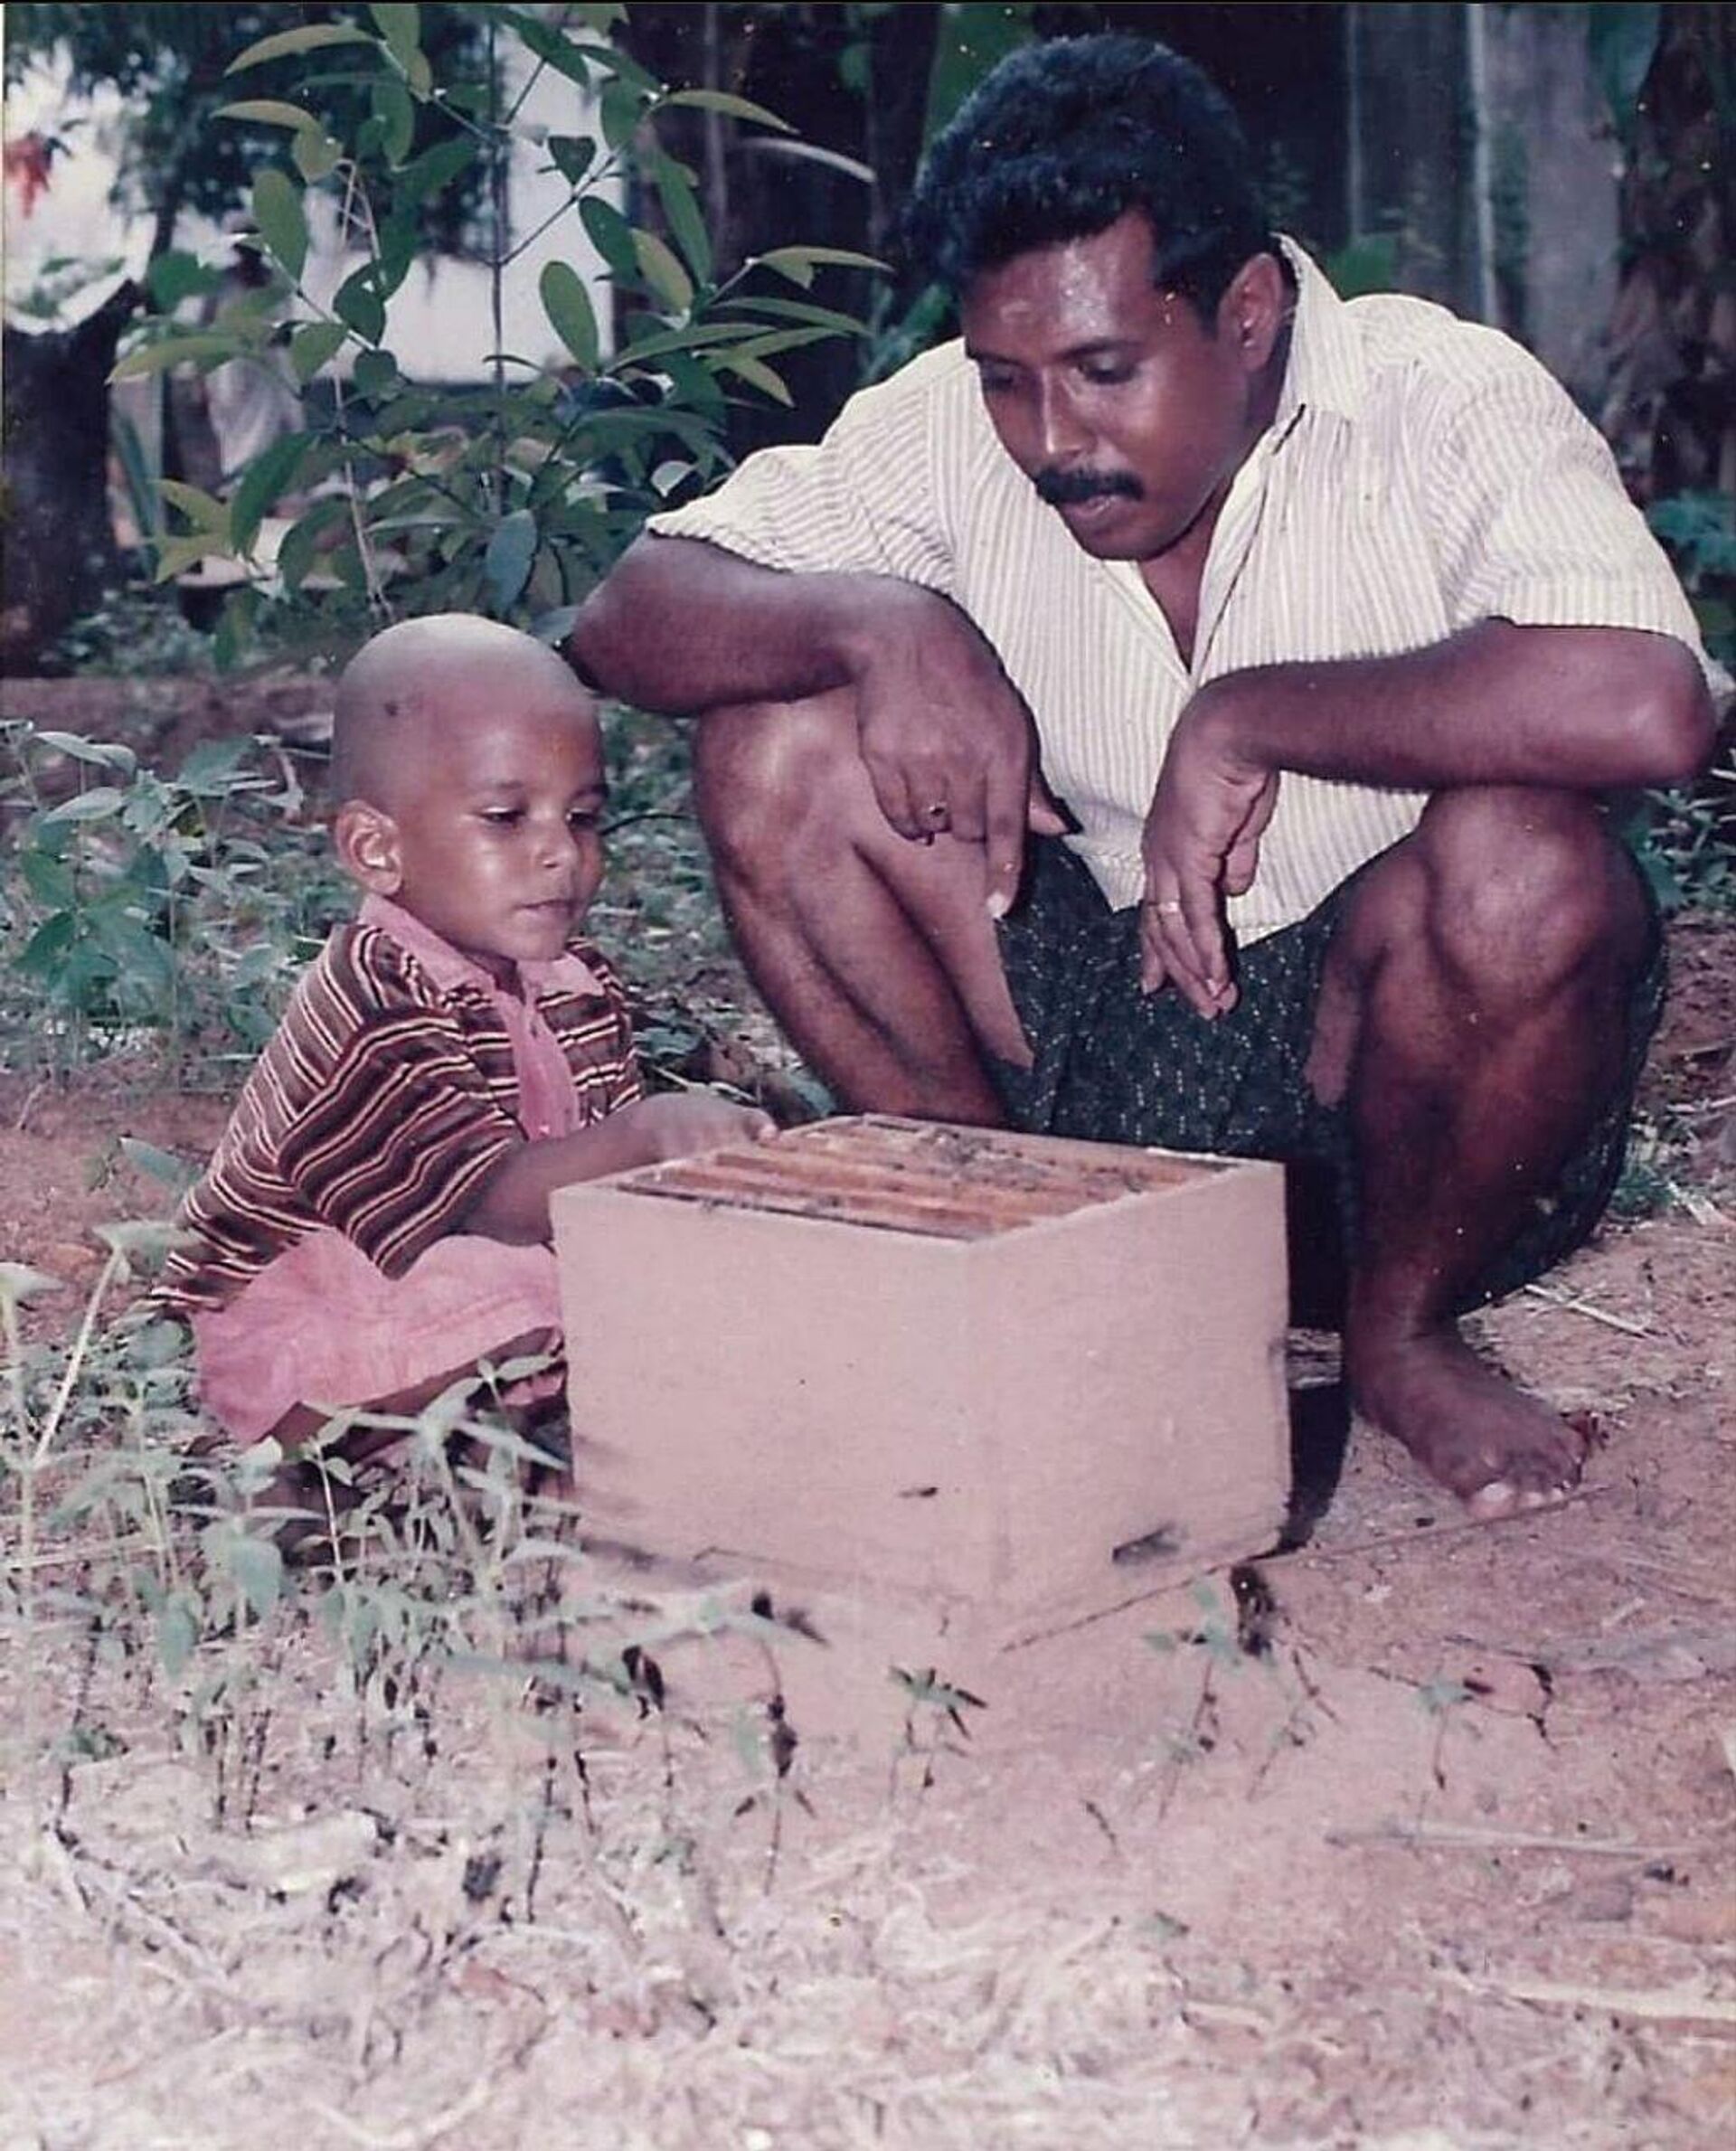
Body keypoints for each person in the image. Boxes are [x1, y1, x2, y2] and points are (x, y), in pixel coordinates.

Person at [568, 35, 1726, 1522]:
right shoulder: (947, 429)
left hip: (1398, 1094)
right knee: (776, 741)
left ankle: (1400, 1331)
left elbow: (1647, 701)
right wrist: (875, 619)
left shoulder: (1439, 395)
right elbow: (624, 615)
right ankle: (1016, 1256)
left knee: (1529, 863)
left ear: (1244, 314)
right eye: (1008, 381)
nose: (1054, 439)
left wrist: (1251, 718)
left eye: (1106, 371)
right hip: (1087, 1041)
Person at [158, 613, 770, 1484]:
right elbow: (485, 1200)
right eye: (504, 816)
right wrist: (647, 1136)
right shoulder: (374, 994)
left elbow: (591, 1197)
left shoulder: (572, 981)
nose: (561, 853)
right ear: (376, 847)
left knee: (630, 1289)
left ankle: (477, 1456)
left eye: (584, 817)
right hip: (292, 1323)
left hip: (452, 1285)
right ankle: (281, 1467)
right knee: (538, 1294)